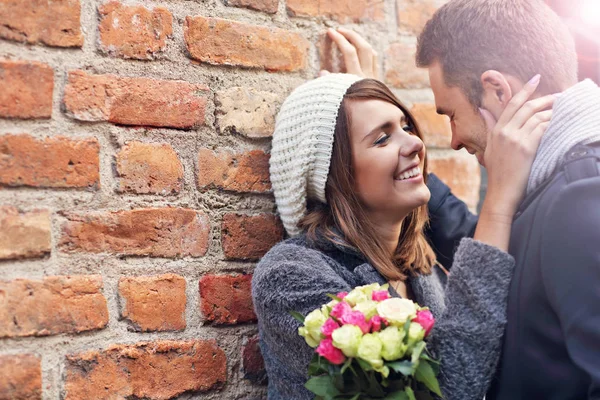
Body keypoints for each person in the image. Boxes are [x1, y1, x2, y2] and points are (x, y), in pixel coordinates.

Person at [251, 71, 552, 399]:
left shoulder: (425, 268)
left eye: (405, 127)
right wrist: (500, 197)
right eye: (382, 139)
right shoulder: (290, 276)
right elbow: (445, 389)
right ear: (336, 174)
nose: (415, 143)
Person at [415, 1, 600, 398]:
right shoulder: (553, 182)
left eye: (451, 114)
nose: (454, 139)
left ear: (497, 90)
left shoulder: (582, 195)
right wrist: (409, 176)